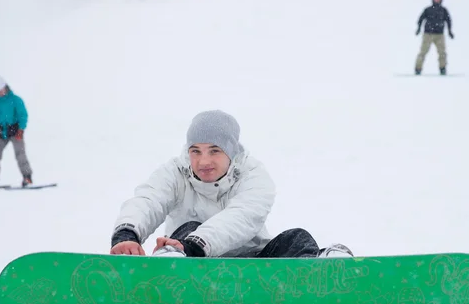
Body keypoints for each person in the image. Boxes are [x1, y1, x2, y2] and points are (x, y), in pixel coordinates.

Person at [110, 109, 353, 258]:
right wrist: (126, 235)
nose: (203, 161)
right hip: (191, 260)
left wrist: (196, 245)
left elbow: (243, 216)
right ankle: (173, 262)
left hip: (251, 261)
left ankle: (321, 268)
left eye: (214, 150)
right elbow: (149, 199)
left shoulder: (253, 174)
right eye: (196, 151)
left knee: (297, 238)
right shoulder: (175, 171)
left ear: (231, 151)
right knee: (188, 227)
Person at [0, 76, 33, 189]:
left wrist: (21, 129)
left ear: (5, 87)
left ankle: (27, 177)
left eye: (1, 90)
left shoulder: (16, 100)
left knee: (20, 154)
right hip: (1, 130)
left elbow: (23, 115)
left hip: (15, 130)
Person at [414, 0, 454, 75]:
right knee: (423, 52)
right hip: (428, 34)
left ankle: (442, 68)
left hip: (439, 35)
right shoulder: (428, 9)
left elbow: (448, 20)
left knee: (442, 53)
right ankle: (418, 68)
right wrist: (418, 28)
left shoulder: (443, 10)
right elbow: (421, 19)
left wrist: (450, 31)